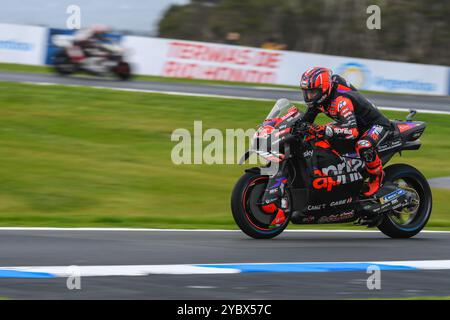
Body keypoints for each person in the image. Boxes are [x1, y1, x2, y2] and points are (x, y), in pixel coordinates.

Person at [295, 67, 393, 197]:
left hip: (375, 125)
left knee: (364, 145)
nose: (308, 96)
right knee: (315, 136)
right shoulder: (321, 98)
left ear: (323, 89)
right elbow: (304, 121)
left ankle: (377, 177)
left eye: (312, 92)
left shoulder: (341, 101)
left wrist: (324, 129)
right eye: (306, 92)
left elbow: (352, 131)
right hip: (352, 124)